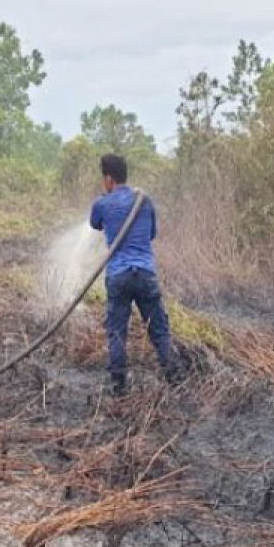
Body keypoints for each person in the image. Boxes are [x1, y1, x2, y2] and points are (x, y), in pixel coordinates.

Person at [89, 154, 179, 395]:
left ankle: (119, 388)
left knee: (117, 330)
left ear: (108, 178)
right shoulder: (144, 200)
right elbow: (150, 234)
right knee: (159, 328)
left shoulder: (102, 203)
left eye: (103, 179)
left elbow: (95, 224)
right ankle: (174, 379)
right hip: (145, 274)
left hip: (118, 275)